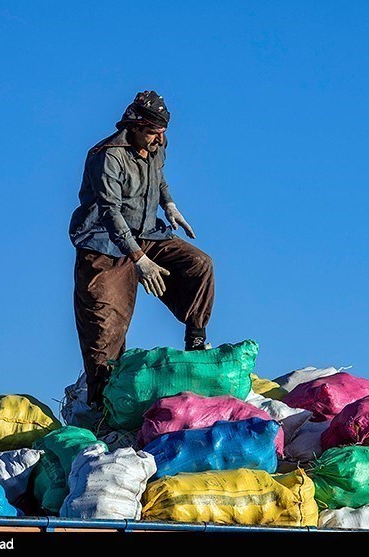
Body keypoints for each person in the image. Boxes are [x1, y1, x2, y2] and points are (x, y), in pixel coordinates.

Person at [69, 90, 215, 407]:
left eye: (163, 133)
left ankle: (196, 342)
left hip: (147, 233)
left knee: (199, 265)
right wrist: (139, 259)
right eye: (152, 132)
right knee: (104, 330)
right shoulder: (108, 156)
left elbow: (157, 176)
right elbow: (110, 212)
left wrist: (170, 204)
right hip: (105, 244)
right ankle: (103, 406)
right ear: (133, 126)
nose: (158, 139)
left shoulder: (156, 145)